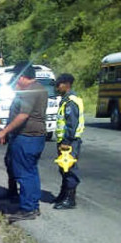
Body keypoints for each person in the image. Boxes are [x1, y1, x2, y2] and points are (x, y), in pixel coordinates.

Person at [0, 62, 48, 222]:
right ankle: (31, 204)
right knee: (29, 171)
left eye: (17, 77)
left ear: (24, 77)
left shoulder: (30, 91)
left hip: (27, 138)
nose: (15, 81)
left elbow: (23, 115)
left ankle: (29, 208)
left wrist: (4, 131)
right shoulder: (37, 88)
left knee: (25, 173)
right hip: (31, 137)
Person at [53, 73, 84, 209]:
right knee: (63, 169)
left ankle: (70, 199)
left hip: (70, 142)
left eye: (59, 85)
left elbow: (71, 124)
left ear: (66, 84)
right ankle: (64, 194)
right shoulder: (65, 100)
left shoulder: (71, 101)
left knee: (69, 169)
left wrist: (66, 141)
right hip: (64, 141)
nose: (57, 88)